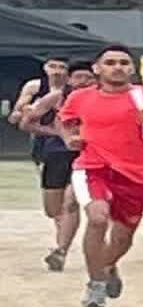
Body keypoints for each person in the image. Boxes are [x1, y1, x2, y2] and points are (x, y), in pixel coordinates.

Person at [58, 44, 143, 307]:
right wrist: (70, 138)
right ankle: (95, 285)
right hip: (92, 168)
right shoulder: (80, 97)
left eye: (123, 63)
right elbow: (64, 120)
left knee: (122, 236)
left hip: (135, 174)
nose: (117, 67)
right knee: (97, 218)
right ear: (97, 69)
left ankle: (107, 266)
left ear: (132, 69)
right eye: (110, 63)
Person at [19, 60, 95, 271]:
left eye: (88, 77)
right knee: (53, 209)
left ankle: (61, 250)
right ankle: (61, 240)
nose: (83, 81)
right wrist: (55, 133)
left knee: (71, 202)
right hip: (56, 155)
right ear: (69, 79)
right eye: (78, 77)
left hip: (86, 156)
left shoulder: (100, 99)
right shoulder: (56, 97)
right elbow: (25, 123)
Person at [8, 54, 68, 126]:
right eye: (52, 66)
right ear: (45, 68)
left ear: (68, 71)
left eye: (61, 67)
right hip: (38, 125)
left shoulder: (73, 87)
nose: (56, 71)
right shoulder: (33, 85)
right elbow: (17, 111)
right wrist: (25, 110)